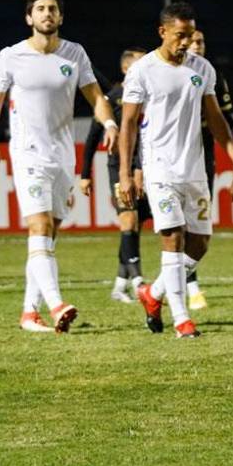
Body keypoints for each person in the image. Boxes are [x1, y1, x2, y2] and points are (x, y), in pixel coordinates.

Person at [0, 0, 119, 334]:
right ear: (29, 17)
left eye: (52, 9)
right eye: (40, 9)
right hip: (27, 154)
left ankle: (30, 313)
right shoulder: (10, 57)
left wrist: (110, 124)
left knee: (48, 235)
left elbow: (96, 97)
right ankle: (57, 304)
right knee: (39, 227)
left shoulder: (74, 53)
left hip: (62, 156)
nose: (47, 13)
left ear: (60, 17)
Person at [119, 3, 233, 339]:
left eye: (190, 35)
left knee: (200, 242)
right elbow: (128, 123)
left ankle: (153, 293)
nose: (187, 42)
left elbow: (215, 118)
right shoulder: (143, 70)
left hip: (194, 168)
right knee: (173, 237)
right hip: (159, 169)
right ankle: (181, 320)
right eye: (180, 35)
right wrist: (125, 173)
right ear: (162, 32)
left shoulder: (202, 68)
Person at [80, 48, 150, 304]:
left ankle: (120, 285)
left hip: (149, 167)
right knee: (128, 220)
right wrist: (85, 174)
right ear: (125, 69)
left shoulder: (150, 96)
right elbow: (92, 138)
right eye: (139, 64)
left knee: (136, 223)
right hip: (119, 167)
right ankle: (138, 281)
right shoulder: (112, 99)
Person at [182, 27, 233, 310]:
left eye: (201, 41)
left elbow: (225, 119)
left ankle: (172, 283)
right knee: (177, 226)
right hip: (171, 158)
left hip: (204, 155)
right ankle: (189, 287)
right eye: (192, 41)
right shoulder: (170, 72)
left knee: (198, 224)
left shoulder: (211, 74)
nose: (196, 45)